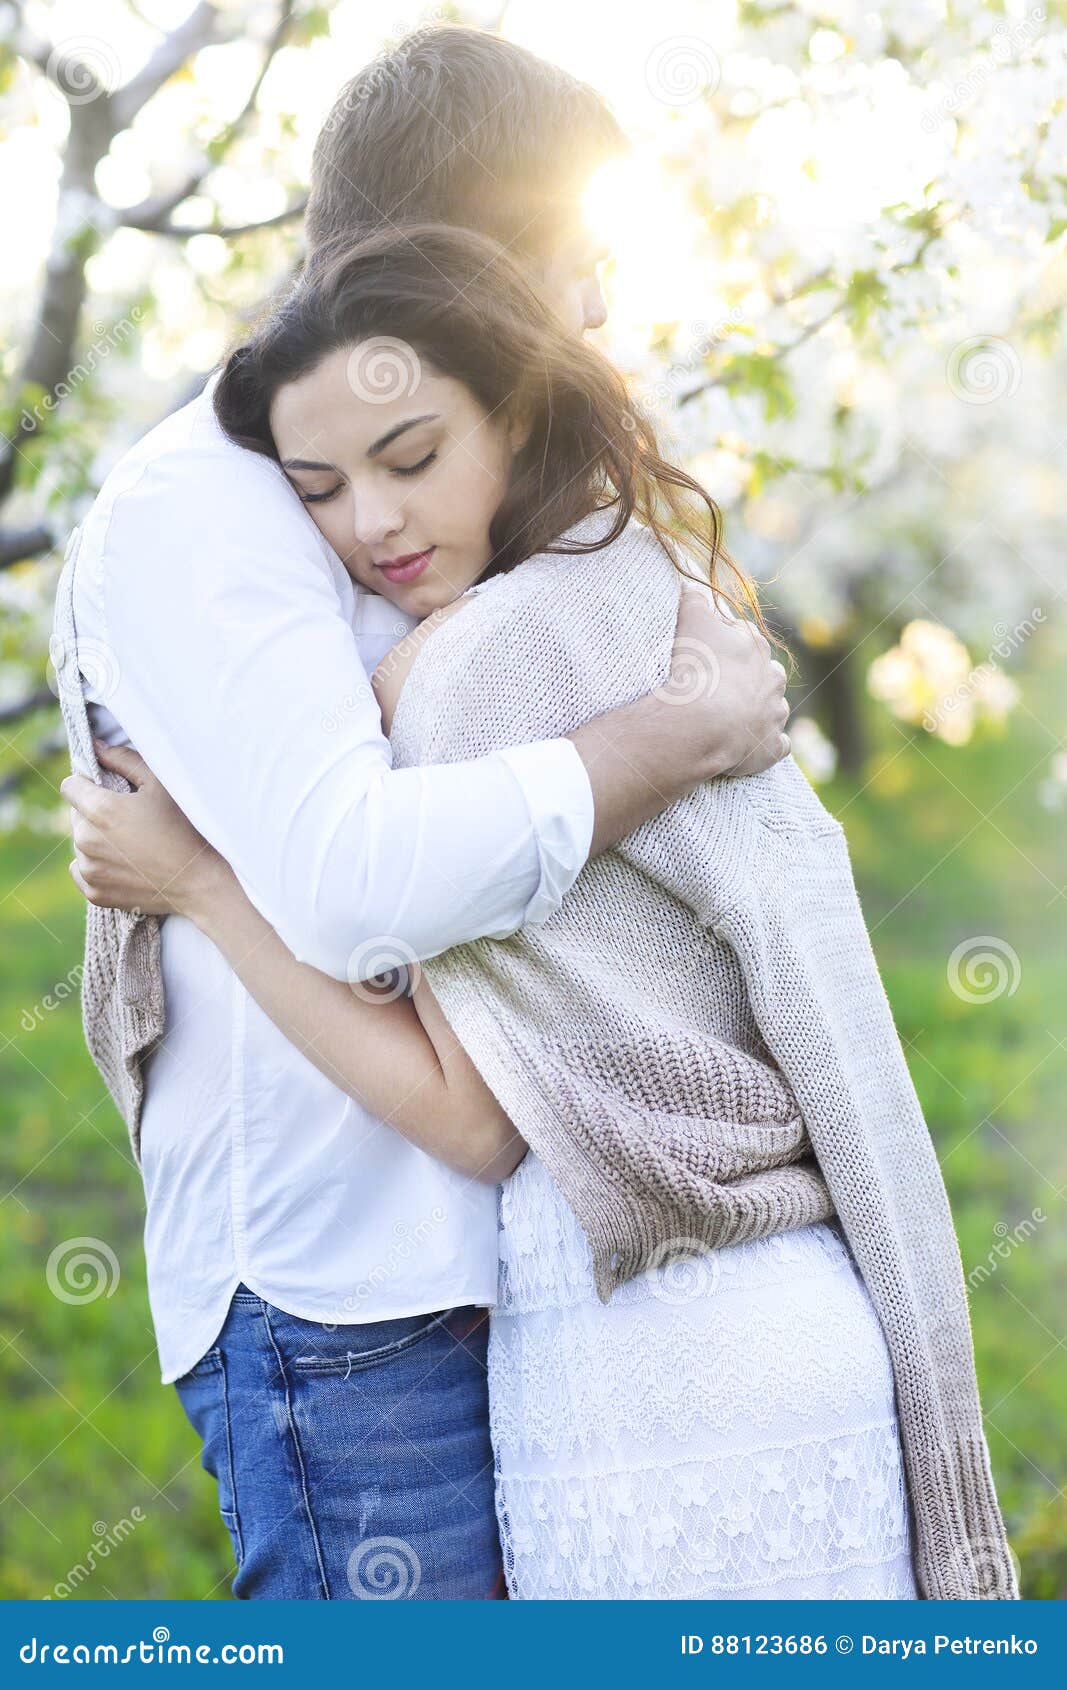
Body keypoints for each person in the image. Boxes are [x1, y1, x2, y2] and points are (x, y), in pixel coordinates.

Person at [67, 222, 1013, 1602]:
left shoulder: (458, 682)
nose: (374, 525)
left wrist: (203, 880)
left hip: (652, 1374)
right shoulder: (654, 595)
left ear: (515, 410)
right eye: (321, 489)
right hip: (793, 1323)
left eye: (411, 461)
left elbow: (467, 1107)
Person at [53, 29, 790, 1601]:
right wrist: (663, 738)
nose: (596, 303)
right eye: (570, 258)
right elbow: (351, 882)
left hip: (505, 1263)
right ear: (465, 256)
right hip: (344, 1302)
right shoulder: (208, 505)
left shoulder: (417, 476)